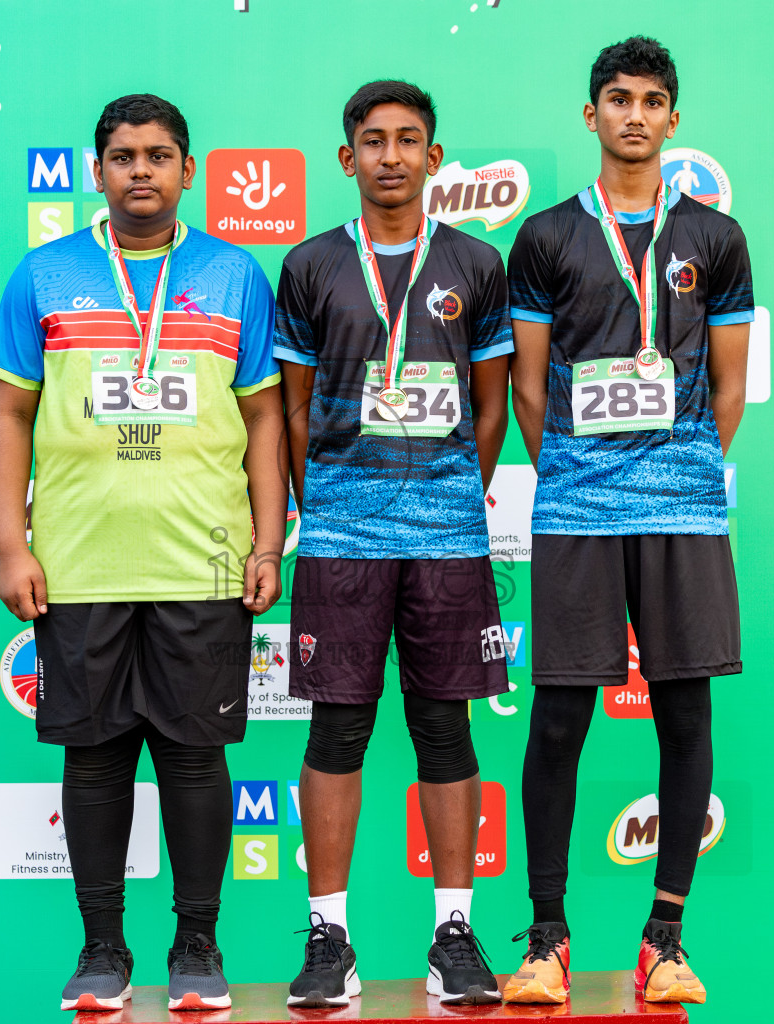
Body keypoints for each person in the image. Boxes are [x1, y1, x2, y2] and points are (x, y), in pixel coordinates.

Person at [0, 93, 286, 1013]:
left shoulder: (234, 274)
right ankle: (103, 949)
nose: (141, 171)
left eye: (158, 155)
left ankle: (198, 945)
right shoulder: (45, 275)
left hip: (202, 559)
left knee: (195, 760)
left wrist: (270, 541)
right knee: (96, 759)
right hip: (79, 563)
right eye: (122, 156)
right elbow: (8, 416)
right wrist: (9, 544)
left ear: (188, 170)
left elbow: (267, 416)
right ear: (97, 170)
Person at [503, 37, 753, 1007]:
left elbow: (728, 388)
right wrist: (575, 465)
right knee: (561, 715)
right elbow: (528, 385)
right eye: (618, 98)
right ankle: (548, 939)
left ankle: (664, 937)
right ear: (591, 115)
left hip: (683, 504)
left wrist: (679, 465)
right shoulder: (546, 238)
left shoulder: (717, 238)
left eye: (652, 100)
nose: (635, 115)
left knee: (685, 712)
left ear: (674, 120)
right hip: (574, 501)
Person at [275, 80, 513, 1008]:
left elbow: (492, 407)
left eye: (409, 140)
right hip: (338, 531)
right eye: (372, 141)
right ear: (347, 159)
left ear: (434, 156)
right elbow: (292, 409)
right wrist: (324, 500)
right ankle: (329, 939)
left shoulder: (476, 263)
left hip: (448, 535)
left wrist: (452, 492)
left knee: (444, 728)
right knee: (337, 729)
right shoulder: (309, 266)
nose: (390, 156)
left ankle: (453, 933)